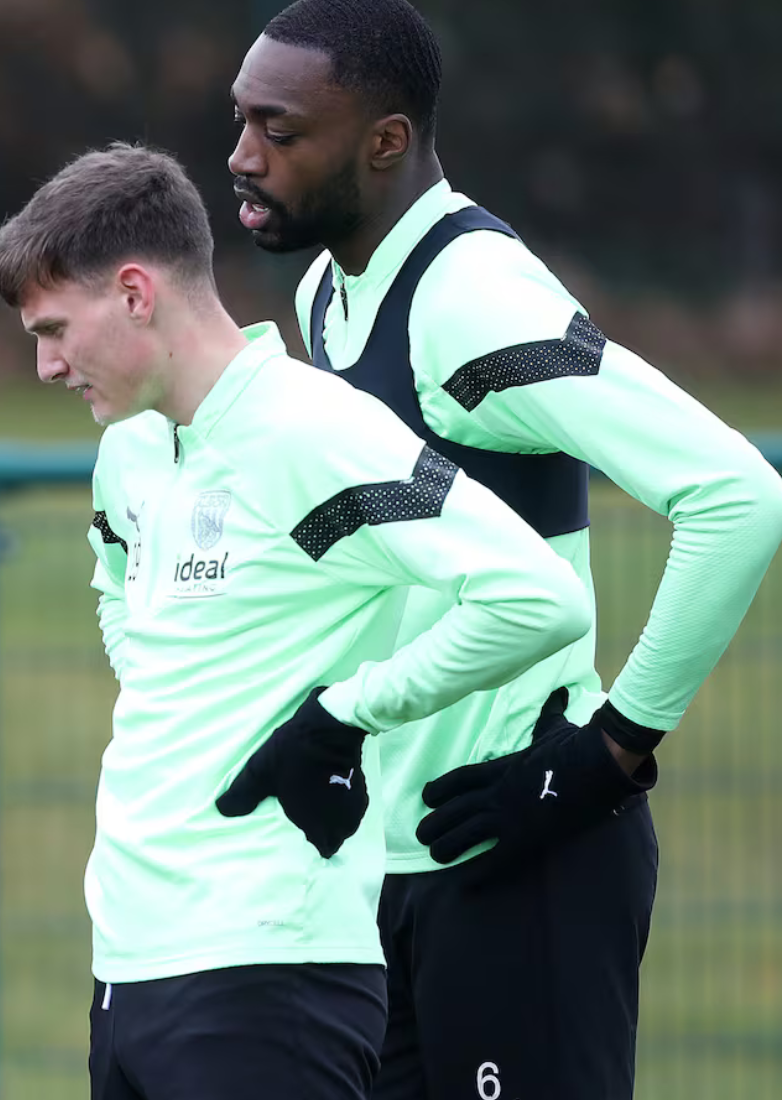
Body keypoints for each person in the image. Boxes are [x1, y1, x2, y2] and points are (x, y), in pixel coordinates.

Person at [226, 2, 782, 1094]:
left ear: (385, 141)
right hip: (397, 863)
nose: (242, 158)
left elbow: (738, 497)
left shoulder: (469, 301)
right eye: (238, 121)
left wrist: (606, 756)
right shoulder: (324, 290)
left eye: (278, 132)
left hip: (527, 862)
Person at [0, 144, 592, 1098]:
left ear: (136, 293)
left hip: (272, 969)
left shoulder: (316, 429)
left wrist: (344, 716)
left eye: (56, 328)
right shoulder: (132, 450)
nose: (45, 364)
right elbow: (115, 582)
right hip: (127, 965)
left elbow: (536, 595)